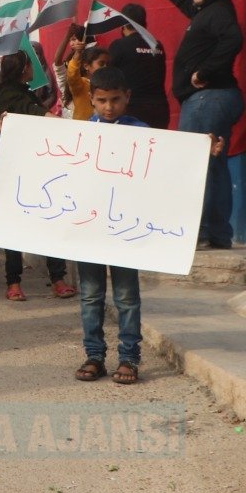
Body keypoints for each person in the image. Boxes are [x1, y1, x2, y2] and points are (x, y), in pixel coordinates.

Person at [132, 0, 243, 248]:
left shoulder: (218, 12)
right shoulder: (205, 11)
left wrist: (205, 72)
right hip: (208, 100)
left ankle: (204, 233)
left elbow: (233, 39)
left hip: (209, 98)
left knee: (199, 166)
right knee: (212, 166)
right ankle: (215, 234)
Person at [74, 66, 148, 386]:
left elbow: (173, 165)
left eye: (115, 100)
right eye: (102, 100)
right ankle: (95, 355)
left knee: (127, 296)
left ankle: (129, 357)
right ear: (91, 99)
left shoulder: (143, 133)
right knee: (90, 295)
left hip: (124, 229)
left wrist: (207, 152)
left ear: (127, 98)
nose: (108, 107)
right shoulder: (78, 134)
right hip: (89, 229)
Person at [0, 51, 76, 301]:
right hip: (16, 168)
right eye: (31, 64)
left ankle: (58, 278)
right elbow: (28, 112)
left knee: (50, 220)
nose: (35, 68)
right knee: (15, 227)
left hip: (37, 166)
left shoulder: (24, 90)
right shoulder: (8, 93)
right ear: (22, 68)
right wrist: (53, 120)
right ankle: (14, 282)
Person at [104, 3, 169, 130]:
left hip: (132, 110)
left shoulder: (119, 45)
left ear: (123, 24)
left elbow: (107, 78)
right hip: (159, 109)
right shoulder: (157, 45)